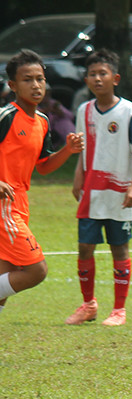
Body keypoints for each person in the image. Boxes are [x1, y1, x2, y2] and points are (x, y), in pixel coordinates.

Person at [65, 49, 132, 327]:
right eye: (92, 74)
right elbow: (82, 149)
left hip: (120, 193)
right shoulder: (83, 111)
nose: (97, 78)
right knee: (85, 247)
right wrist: (78, 175)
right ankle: (88, 304)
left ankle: (119, 310)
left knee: (118, 248)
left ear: (116, 78)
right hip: (92, 191)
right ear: (86, 79)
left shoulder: (128, 111)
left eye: (103, 73)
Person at [0, 49, 83, 317]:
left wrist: (67, 151)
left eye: (40, 79)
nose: (36, 85)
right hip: (4, 207)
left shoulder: (43, 122)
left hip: (20, 204)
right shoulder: (6, 117)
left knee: (4, 277)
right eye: (27, 80)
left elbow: (44, 167)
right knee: (36, 270)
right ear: (12, 85)